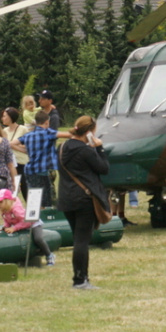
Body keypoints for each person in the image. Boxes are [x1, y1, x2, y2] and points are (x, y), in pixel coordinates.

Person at [58, 116, 110, 289]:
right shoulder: (86, 151)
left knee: (77, 238)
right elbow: (104, 168)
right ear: (89, 133)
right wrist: (99, 148)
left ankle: (80, 277)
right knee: (82, 240)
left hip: (66, 198)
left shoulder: (62, 147)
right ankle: (80, 279)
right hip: (84, 198)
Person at [0, 188, 55, 266]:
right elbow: (6, 220)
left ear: (7, 201)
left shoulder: (16, 210)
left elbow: (26, 222)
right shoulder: (4, 210)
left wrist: (14, 228)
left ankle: (49, 255)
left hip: (33, 223)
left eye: (0, 202)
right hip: (20, 225)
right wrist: (6, 227)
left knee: (38, 238)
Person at [2, 107, 29, 200]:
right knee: (11, 192)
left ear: (10, 117)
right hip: (10, 165)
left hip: (22, 164)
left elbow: (28, 149)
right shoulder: (4, 131)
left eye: (4, 116)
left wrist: (12, 145)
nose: (3, 118)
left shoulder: (23, 129)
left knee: (27, 191)